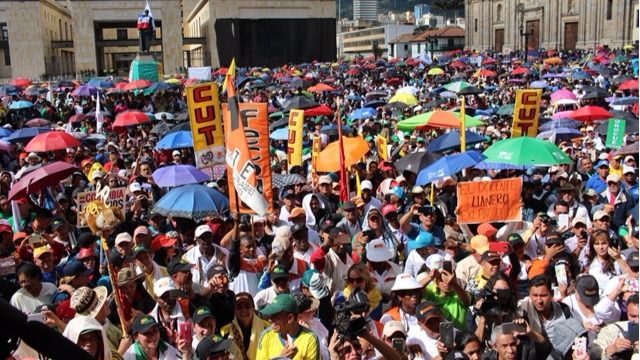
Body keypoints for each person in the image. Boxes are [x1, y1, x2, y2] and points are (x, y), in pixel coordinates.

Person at [256, 293, 320, 360]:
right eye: (271, 315)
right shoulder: (266, 336)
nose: (270, 320)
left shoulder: (310, 339)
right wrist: (281, 359)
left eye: (275, 316)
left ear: (290, 318)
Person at [590, 293, 639, 360]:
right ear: (627, 313)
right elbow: (594, 354)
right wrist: (612, 349)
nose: (637, 321)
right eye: (633, 316)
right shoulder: (613, 330)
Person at [122, 314, 191, 360]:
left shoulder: (168, 349)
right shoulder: (128, 356)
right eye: (147, 333)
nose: (153, 335)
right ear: (136, 337)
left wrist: (186, 353)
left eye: (155, 330)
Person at [482, 321, 552, 360]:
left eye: (512, 344)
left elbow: (545, 347)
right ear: (494, 347)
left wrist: (530, 332)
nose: (510, 350)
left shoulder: (526, 353)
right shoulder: (487, 358)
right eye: (504, 346)